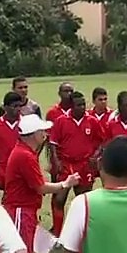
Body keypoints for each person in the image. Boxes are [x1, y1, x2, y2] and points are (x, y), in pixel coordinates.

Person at [0, 114, 80, 253]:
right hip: (19, 210)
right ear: (32, 134)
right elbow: (41, 187)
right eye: (41, 131)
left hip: (25, 210)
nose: (45, 134)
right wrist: (65, 184)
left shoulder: (26, 153)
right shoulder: (24, 156)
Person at [48, 91, 104, 233]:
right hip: (67, 164)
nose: (82, 107)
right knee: (59, 199)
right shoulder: (61, 121)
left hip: (85, 165)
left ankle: (83, 232)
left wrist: (95, 155)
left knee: (83, 201)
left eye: (83, 104)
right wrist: (56, 161)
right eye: (79, 105)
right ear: (71, 106)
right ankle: (58, 233)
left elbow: (102, 141)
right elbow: (53, 142)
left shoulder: (92, 121)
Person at [44, 82, 77, 229]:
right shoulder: (52, 113)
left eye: (71, 91)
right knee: (57, 193)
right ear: (59, 93)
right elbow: (48, 138)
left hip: (75, 159)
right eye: (65, 91)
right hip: (58, 159)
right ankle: (56, 227)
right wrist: (53, 160)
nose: (68, 94)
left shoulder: (78, 110)